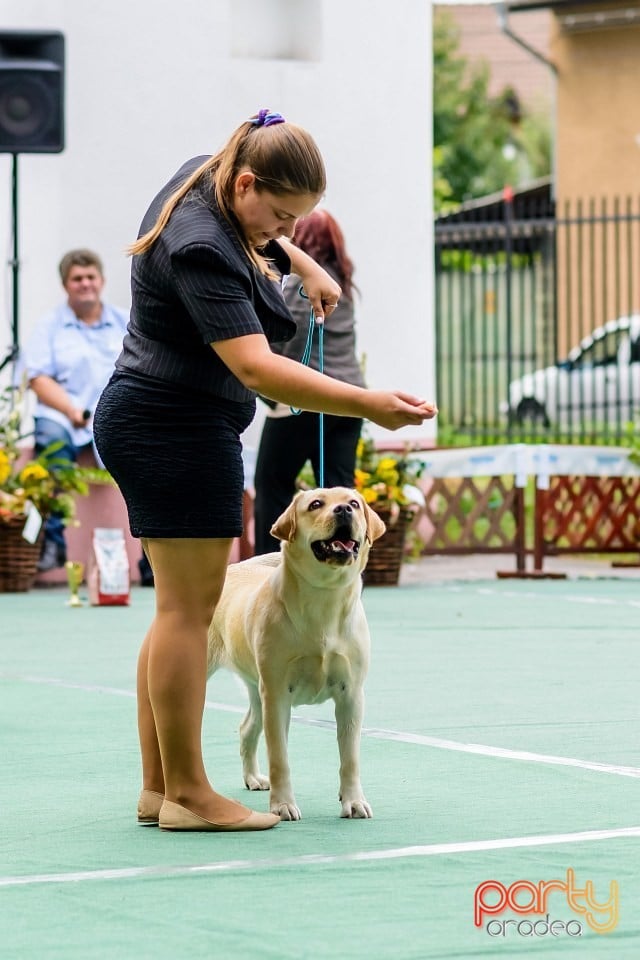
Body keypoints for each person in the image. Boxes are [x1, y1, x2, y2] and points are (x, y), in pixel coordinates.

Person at [92, 109, 437, 834]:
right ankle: (189, 792)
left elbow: (265, 237)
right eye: (277, 214)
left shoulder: (203, 172)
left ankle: (159, 789)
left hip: (153, 417)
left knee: (172, 615)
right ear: (246, 183)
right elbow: (258, 368)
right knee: (189, 614)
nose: (277, 229)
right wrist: (370, 402)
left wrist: (303, 261)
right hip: (173, 428)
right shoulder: (202, 247)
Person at [253, 209, 365, 554]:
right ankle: (341, 564)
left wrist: (263, 370)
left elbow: (292, 331)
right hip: (349, 400)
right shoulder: (342, 284)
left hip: (306, 401)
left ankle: (269, 566)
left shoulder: (305, 283)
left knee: (272, 483)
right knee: (339, 493)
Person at [21, 249, 129, 572]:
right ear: (65, 285)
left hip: (116, 414)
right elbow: (38, 379)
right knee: (51, 441)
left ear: (102, 281)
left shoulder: (124, 322)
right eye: (77, 279)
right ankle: (53, 543)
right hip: (65, 416)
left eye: (90, 277)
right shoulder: (49, 327)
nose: (85, 285)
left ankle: (151, 555)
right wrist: (73, 411)